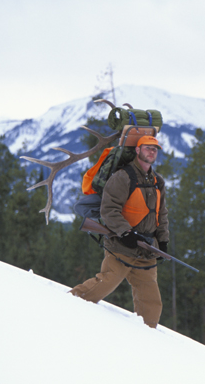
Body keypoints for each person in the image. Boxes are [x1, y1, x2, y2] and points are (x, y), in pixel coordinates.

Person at [70, 135, 169, 328]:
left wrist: (163, 242)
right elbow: (109, 210)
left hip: (146, 250)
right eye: (147, 148)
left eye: (155, 149)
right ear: (138, 150)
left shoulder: (158, 181)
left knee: (152, 306)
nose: (152, 152)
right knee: (101, 286)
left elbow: (161, 213)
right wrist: (126, 233)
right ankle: (64, 304)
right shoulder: (123, 177)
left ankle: (147, 341)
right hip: (120, 247)